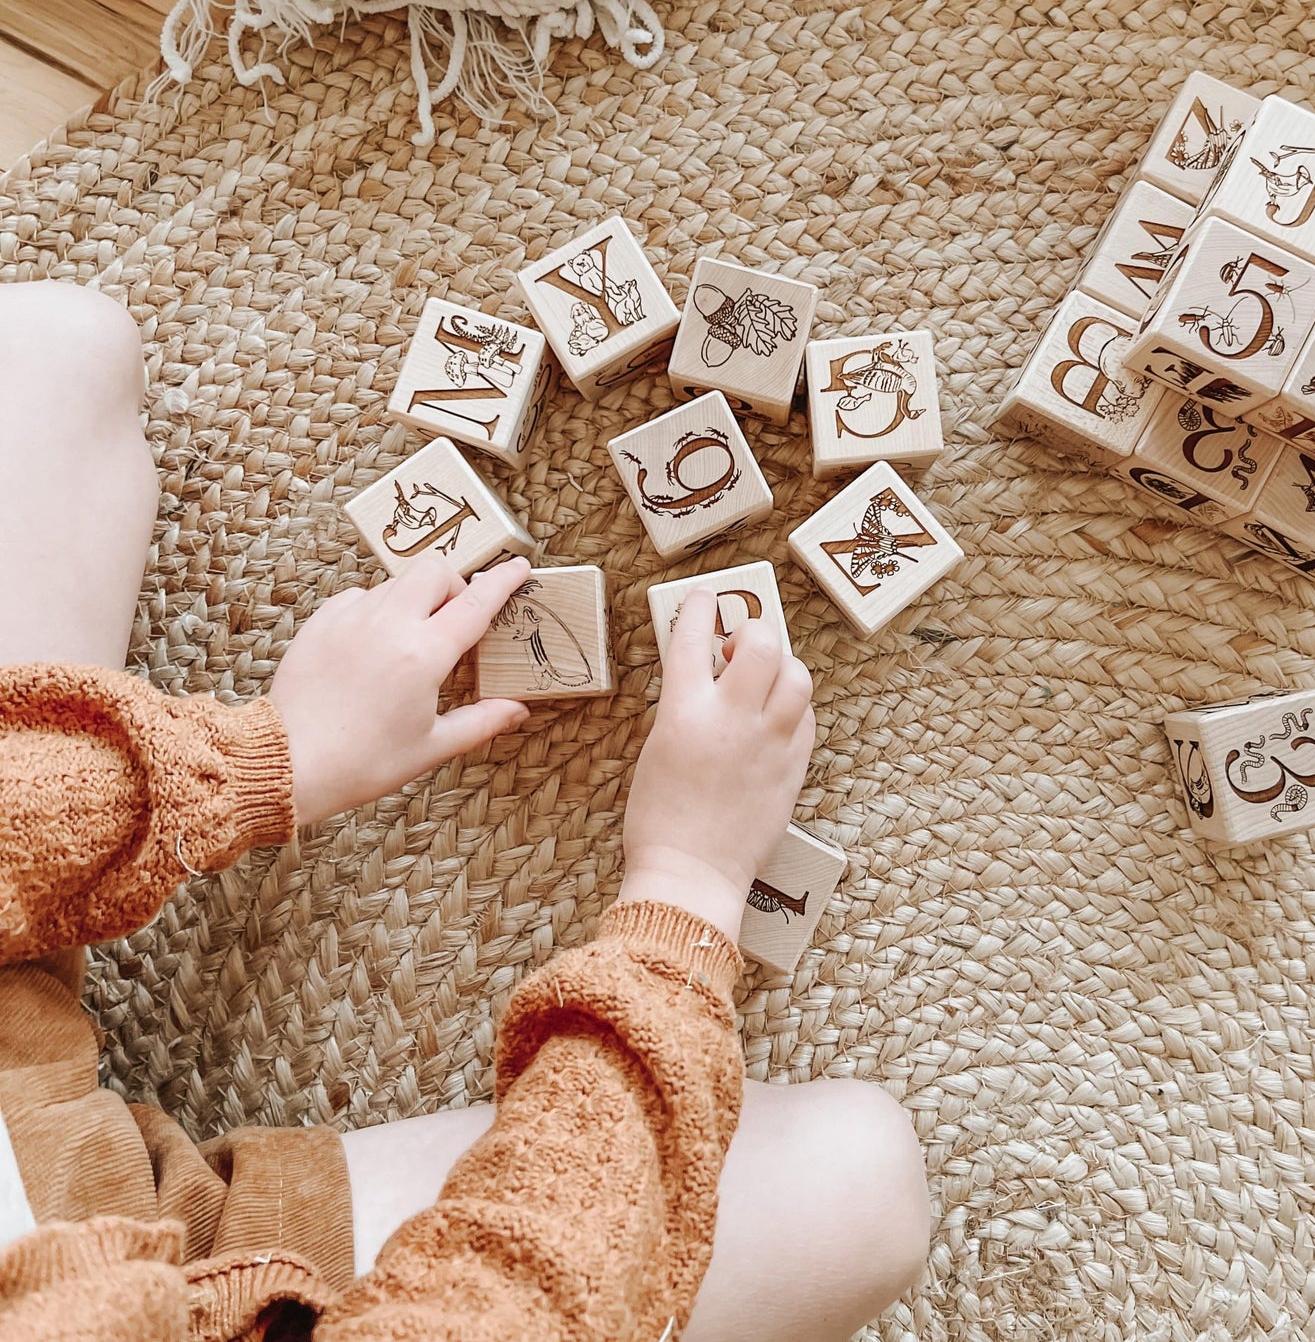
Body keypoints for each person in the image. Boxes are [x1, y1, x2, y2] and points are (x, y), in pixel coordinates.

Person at [0, 280, 931, 1341]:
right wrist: (688, 884)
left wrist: (271, 760)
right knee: (858, 1184)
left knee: (47, 347)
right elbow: (526, 1298)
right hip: (234, 1300)